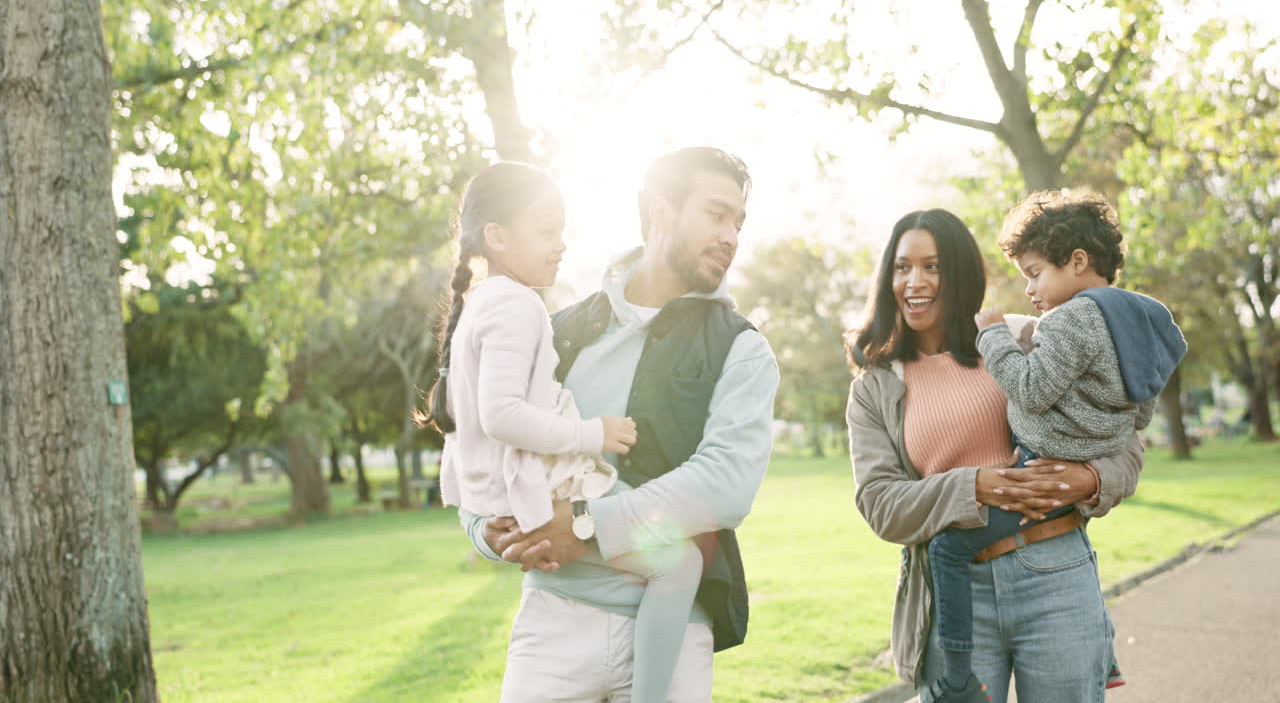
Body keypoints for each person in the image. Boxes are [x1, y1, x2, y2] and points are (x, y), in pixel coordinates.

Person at [459, 148, 779, 702]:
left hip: (675, 631)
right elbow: (488, 435)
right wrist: (482, 532)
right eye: (715, 214)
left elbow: (725, 482)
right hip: (553, 619)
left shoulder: (742, 348)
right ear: (661, 211)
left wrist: (585, 522)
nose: (731, 236)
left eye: (738, 223)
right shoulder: (561, 330)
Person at [426, 161, 709, 702]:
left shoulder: (481, 304)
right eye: (546, 230)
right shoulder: (515, 304)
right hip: (534, 498)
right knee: (680, 560)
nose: (561, 244)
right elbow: (501, 414)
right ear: (498, 237)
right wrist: (591, 434)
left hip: (503, 500)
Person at [845, 208, 1146, 703]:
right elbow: (881, 505)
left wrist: (1087, 480)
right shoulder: (875, 386)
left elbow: (1125, 450)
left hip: (1056, 575)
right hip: (952, 590)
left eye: (933, 266)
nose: (914, 281)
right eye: (902, 267)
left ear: (961, 272)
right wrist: (975, 486)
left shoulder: (1028, 339)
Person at [919, 192, 1186, 700]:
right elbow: (1142, 412)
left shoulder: (1069, 319)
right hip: (1076, 482)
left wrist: (993, 335)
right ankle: (1096, 654)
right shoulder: (1145, 322)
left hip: (1035, 463)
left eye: (1035, 272)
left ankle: (954, 676)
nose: (1030, 288)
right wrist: (1094, 448)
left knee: (948, 549)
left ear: (1078, 262)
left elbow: (1030, 389)